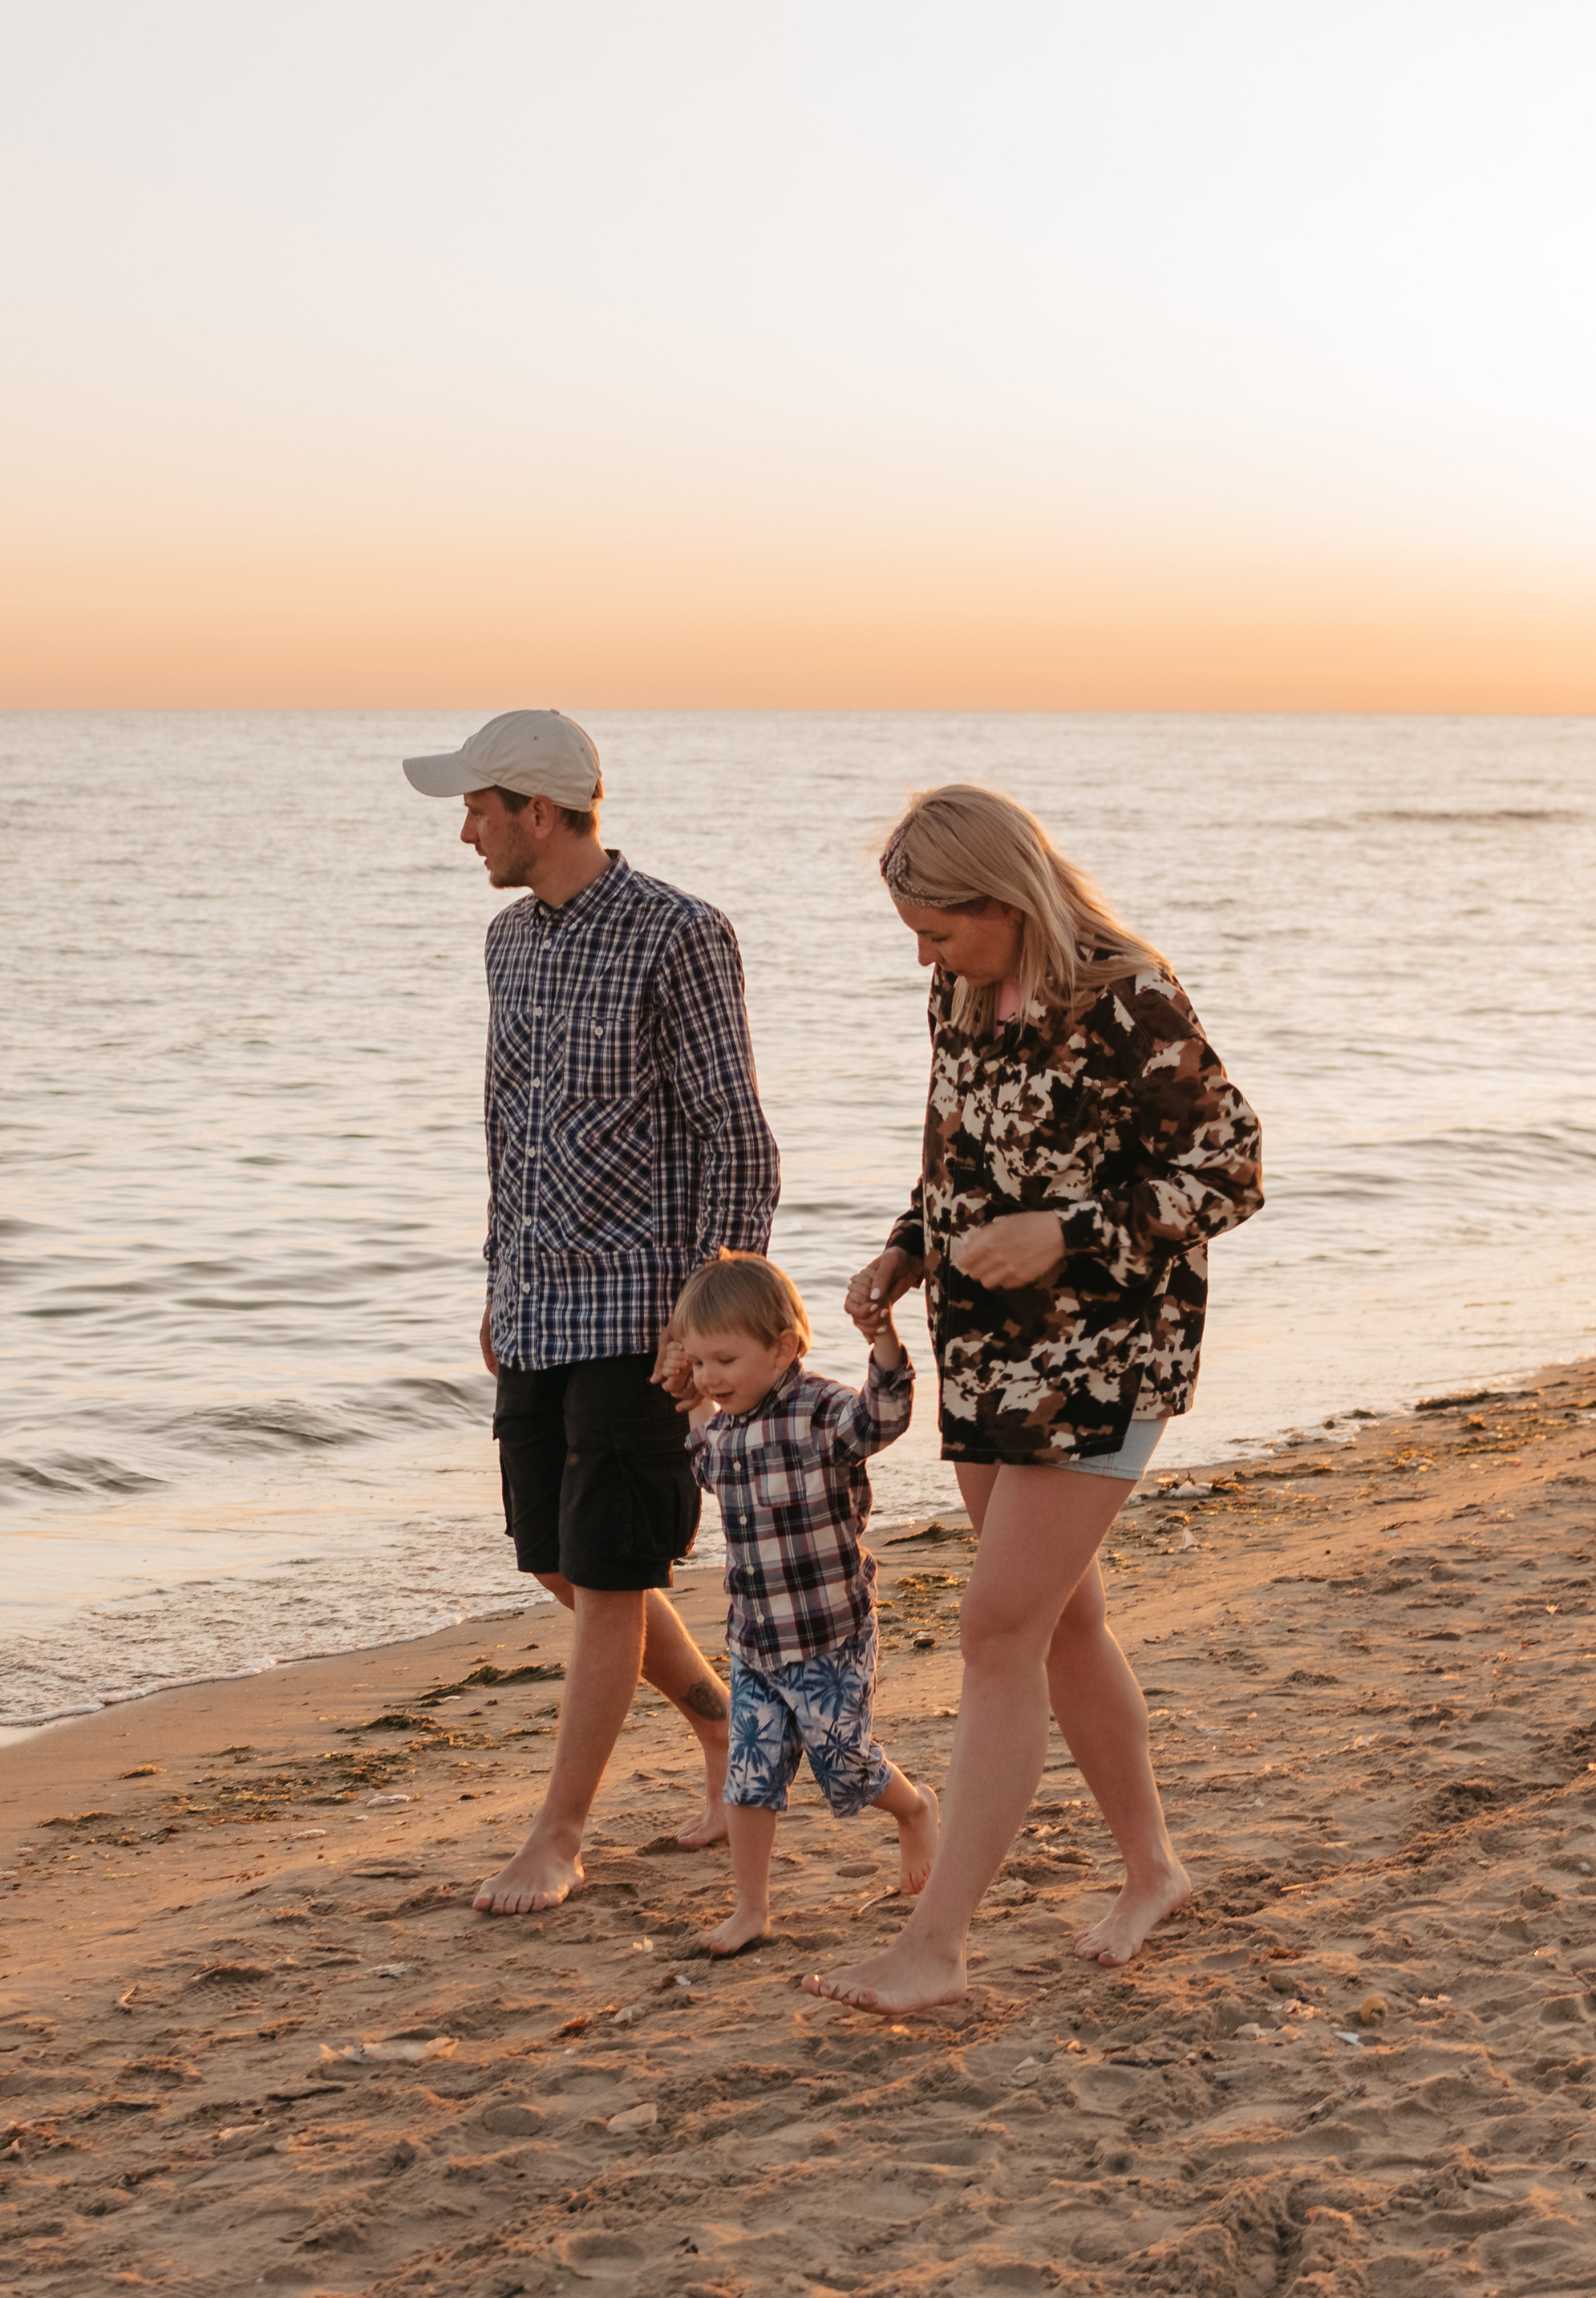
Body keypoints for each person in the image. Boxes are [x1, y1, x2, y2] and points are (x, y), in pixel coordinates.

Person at [810, 781, 1263, 2012]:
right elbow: (960, 1159)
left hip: (1104, 1357)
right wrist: (909, 1245)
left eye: (939, 929)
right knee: (1060, 1626)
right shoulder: (961, 992)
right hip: (982, 1353)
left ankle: (938, 1947)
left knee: (996, 1629)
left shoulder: (1130, 997)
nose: (924, 954)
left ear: (1004, 900)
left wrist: (1066, 1233)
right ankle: (1152, 1867)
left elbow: (1230, 1170)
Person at [403, 708, 780, 1913]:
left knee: (614, 1572)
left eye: (477, 808)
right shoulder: (508, 944)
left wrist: (714, 1320)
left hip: (646, 1314)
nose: (464, 831)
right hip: (537, 1305)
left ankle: (559, 1838)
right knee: (557, 1563)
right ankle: (725, 1726)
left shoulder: (680, 934)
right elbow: (505, 1130)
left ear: (540, 811)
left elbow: (738, 1135)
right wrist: (495, 1279)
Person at [671, 1250, 938, 1957]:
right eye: (698, 1362)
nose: (710, 1377)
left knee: (842, 1764)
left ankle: (914, 1809)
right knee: (749, 1776)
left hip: (828, 1636)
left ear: (784, 1347)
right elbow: (705, 1462)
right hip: (755, 1640)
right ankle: (751, 1909)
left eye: (724, 1360)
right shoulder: (723, 1426)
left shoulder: (820, 1410)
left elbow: (881, 1418)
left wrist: (882, 1340)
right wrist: (692, 1399)